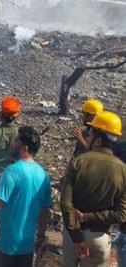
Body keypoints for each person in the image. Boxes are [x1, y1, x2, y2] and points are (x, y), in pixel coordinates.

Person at [60, 111, 126, 267]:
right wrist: (89, 217)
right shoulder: (123, 170)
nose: (87, 137)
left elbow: (65, 204)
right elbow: (121, 215)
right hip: (100, 239)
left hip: (72, 236)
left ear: (98, 139)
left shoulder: (78, 162)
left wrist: (77, 238)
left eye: (89, 135)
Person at [0, 126, 52, 267]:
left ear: (24, 148)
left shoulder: (12, 171)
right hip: (27, 244)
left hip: (5, 243)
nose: (12, 144)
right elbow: (45, 211)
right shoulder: (43, 175)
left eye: (16, 141)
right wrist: (41, 235)